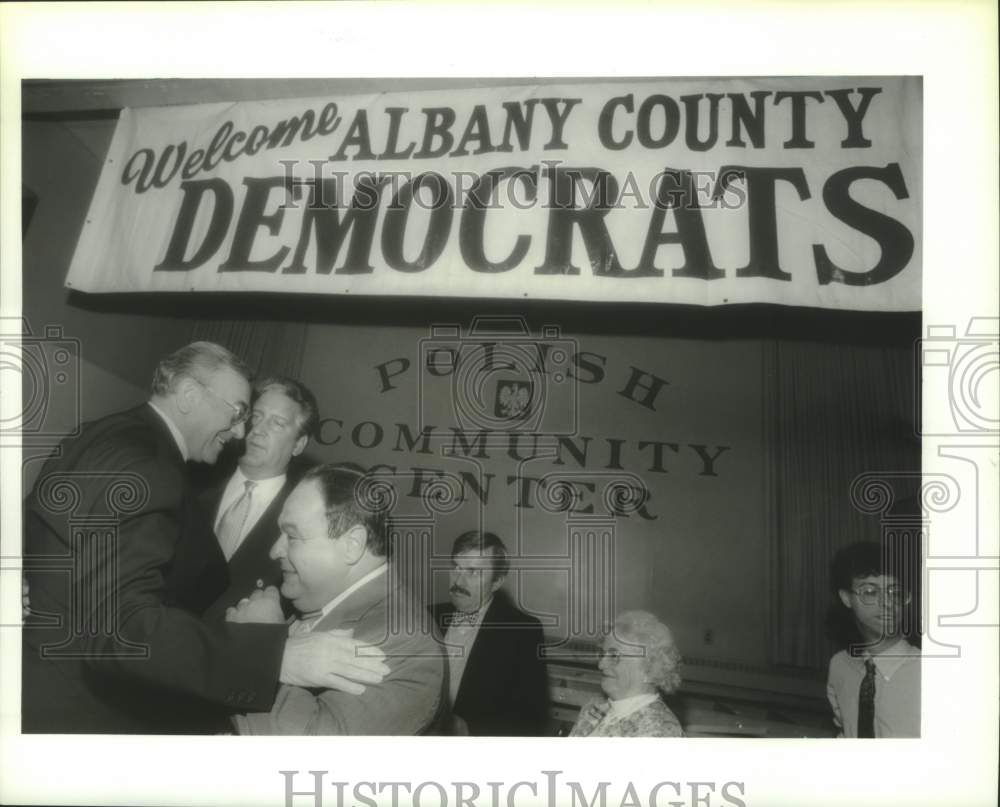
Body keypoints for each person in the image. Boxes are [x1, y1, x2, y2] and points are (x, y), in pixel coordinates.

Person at [21, 342, 387, 734]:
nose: (243, 431)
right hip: (90, 705)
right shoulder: (157, 470)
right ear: (191, 396)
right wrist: (271, 656)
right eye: (242, 413)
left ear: (299, 444)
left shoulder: (100, 434)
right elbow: (121, 626)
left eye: (272, 423)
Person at [230, 465, 447, 735]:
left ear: (352, 544)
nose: (275, 551)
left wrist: (259, 644)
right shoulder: (310, 603)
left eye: (293, 537)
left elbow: (314, 759)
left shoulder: (407, 641)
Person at [171, 376, 319, 621]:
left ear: (299, 444)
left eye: (277, 423)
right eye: (256, 416)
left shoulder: (304, 523)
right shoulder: (187, 484)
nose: (258, 430)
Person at [431, 530, 549, 735]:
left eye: (473, 572)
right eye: (456, 567)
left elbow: (531, 718)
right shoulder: (427, 616)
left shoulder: (522, 631)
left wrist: (471, 729)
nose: (458, 581)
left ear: (497, 582)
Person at [825, 541, 920, 738]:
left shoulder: (930, 672)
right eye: (870, 591)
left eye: (895, 591)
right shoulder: (840, 666)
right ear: (846, 598)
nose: (887, 602)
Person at [570, 610, 684, 737]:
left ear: (650, 668)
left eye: (614, 656)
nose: (601, 665)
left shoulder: (661, 731)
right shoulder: (594, 707)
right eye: (603, 654)